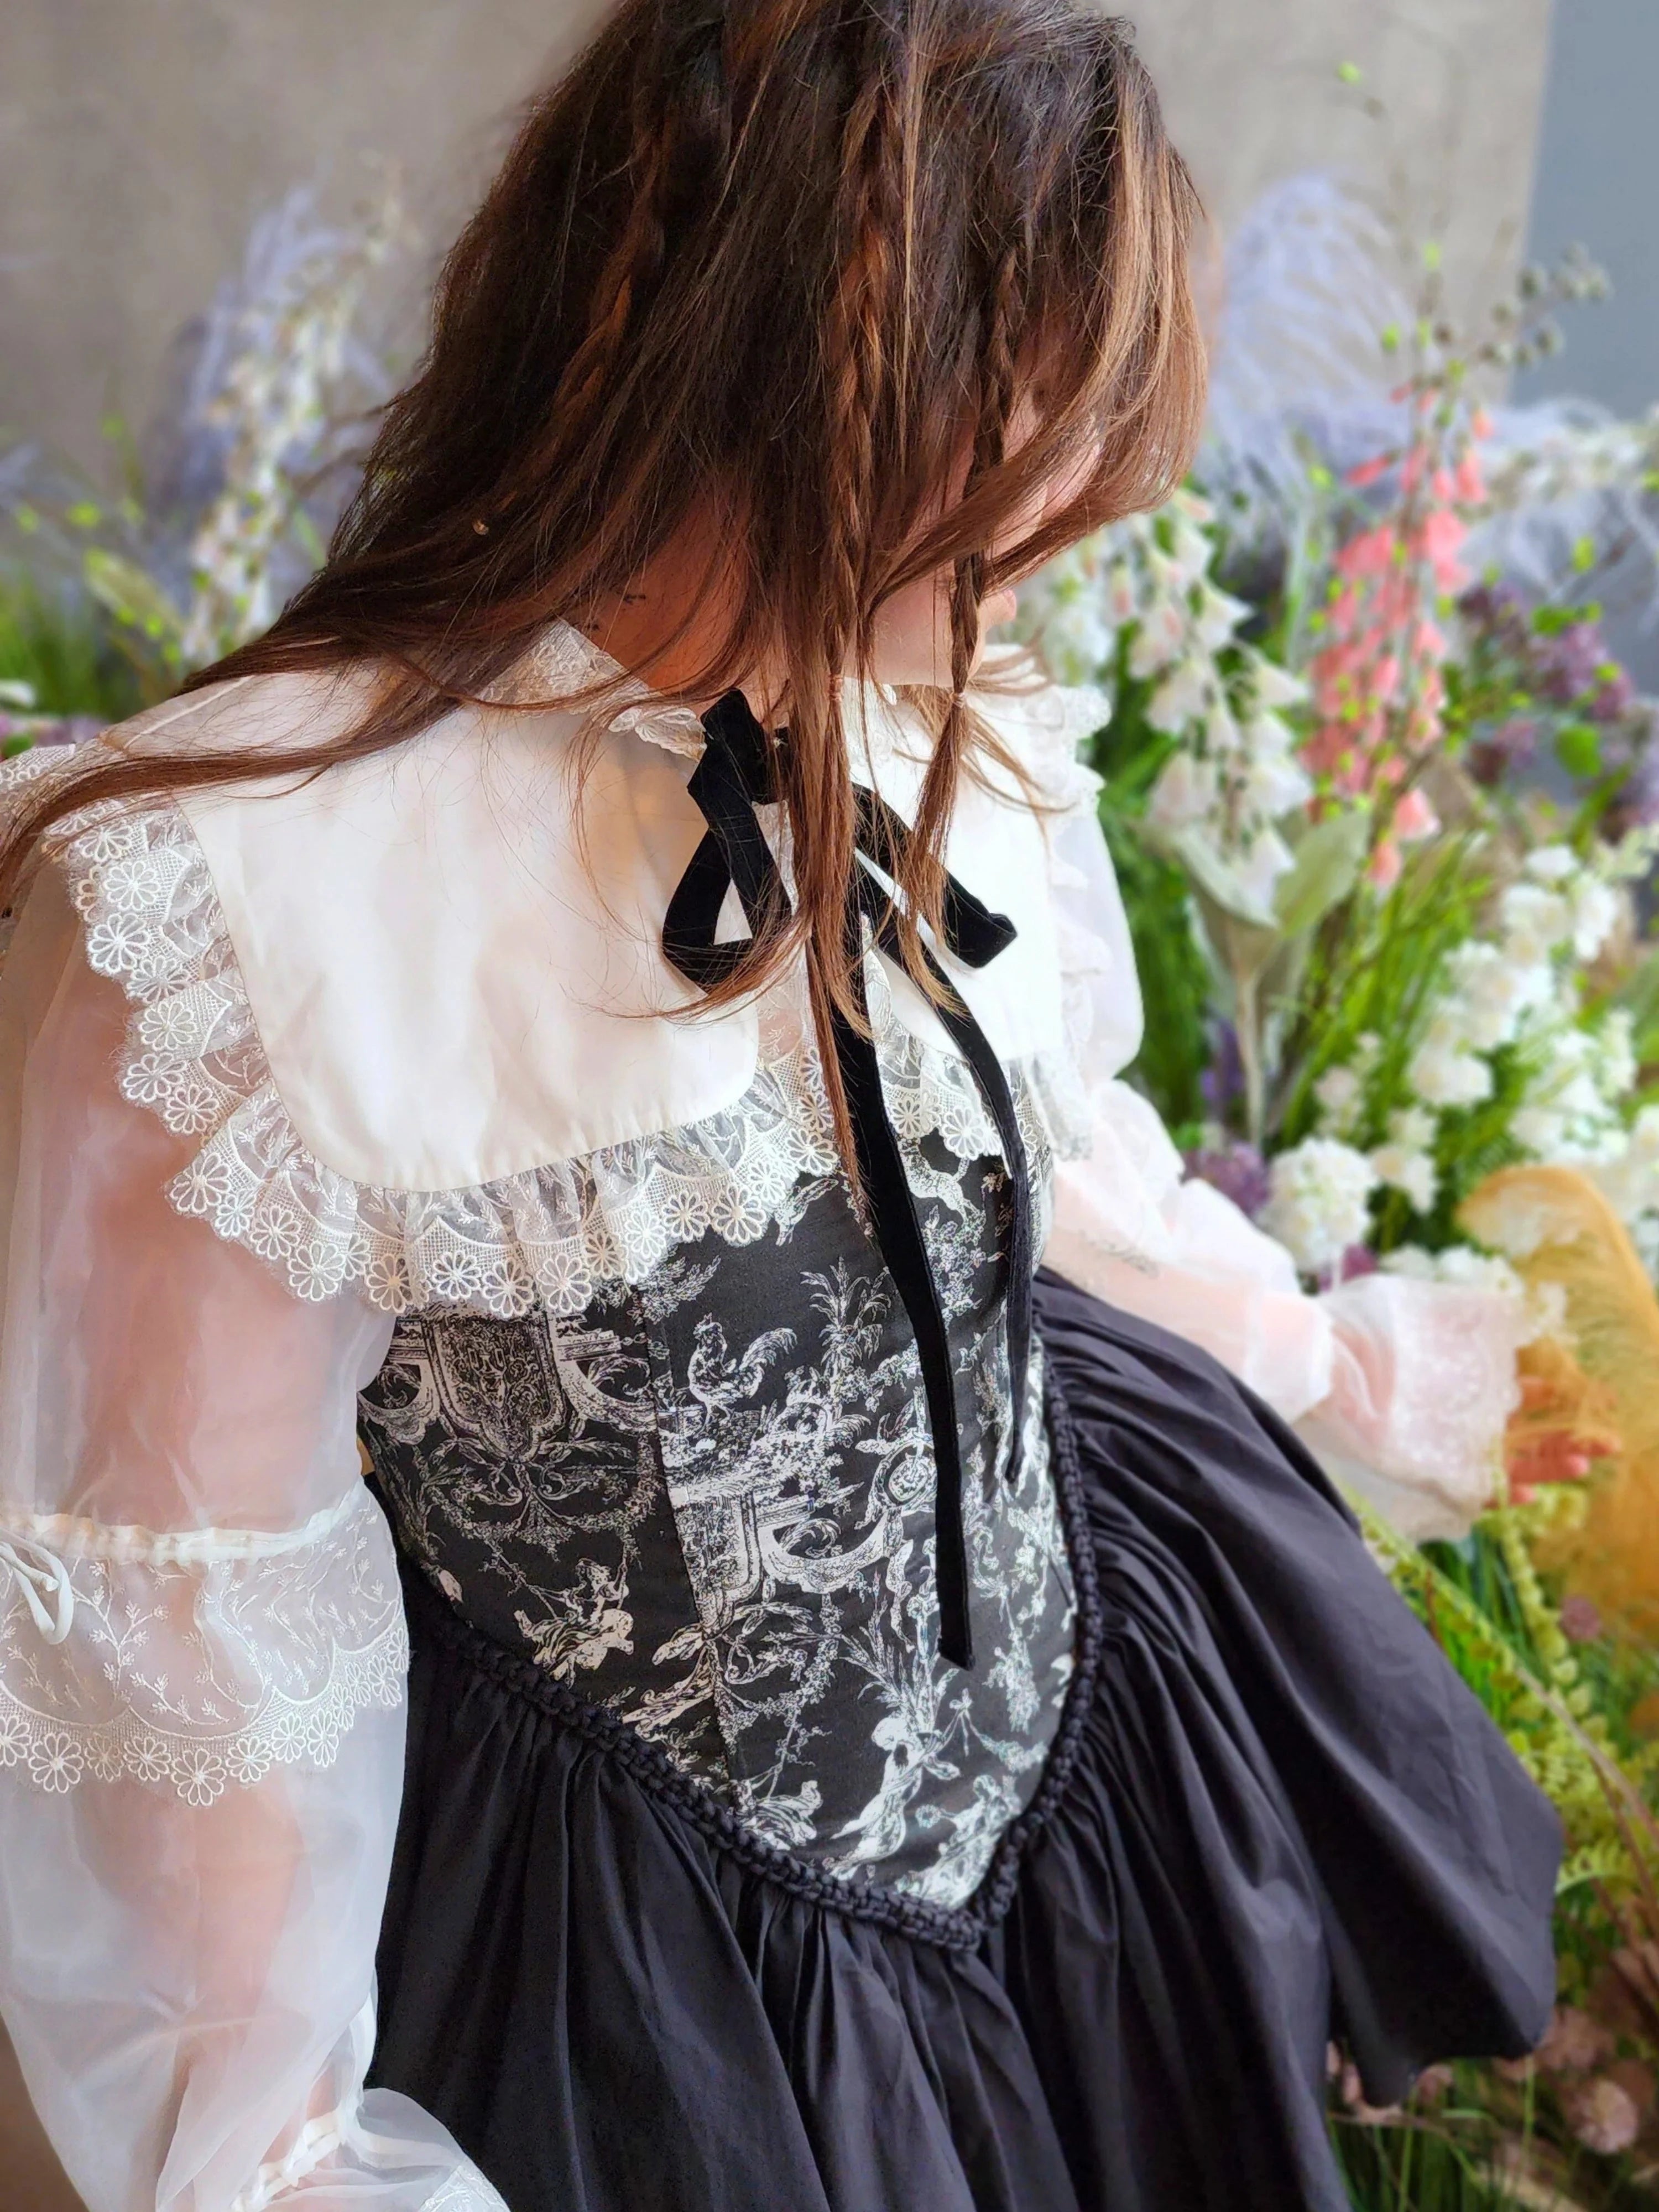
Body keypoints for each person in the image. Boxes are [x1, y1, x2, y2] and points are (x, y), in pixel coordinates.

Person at [0, 2, 1561, 2207]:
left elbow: (1022, 1189)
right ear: (817, 371)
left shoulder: (945, 706)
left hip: (1085, 1866)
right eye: (1048, 433)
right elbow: (179, 1667)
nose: (1091, 515)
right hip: (665, 2029)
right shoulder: (245, 919)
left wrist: (1334, 1370)